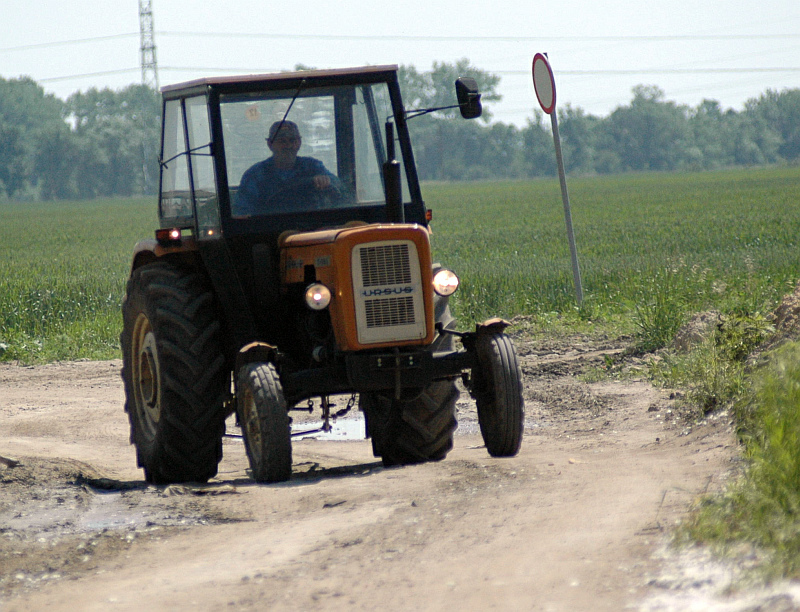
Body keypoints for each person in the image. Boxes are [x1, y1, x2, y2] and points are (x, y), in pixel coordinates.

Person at [235, 120, 340, 216]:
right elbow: (243, 212)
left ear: (299, 142)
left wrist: (326, 181)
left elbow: (340, 189)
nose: (288, 146)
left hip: (313, 227)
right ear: (270, 144)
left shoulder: (313, 167)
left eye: (292, 140)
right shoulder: (256, 175)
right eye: (282, 141)